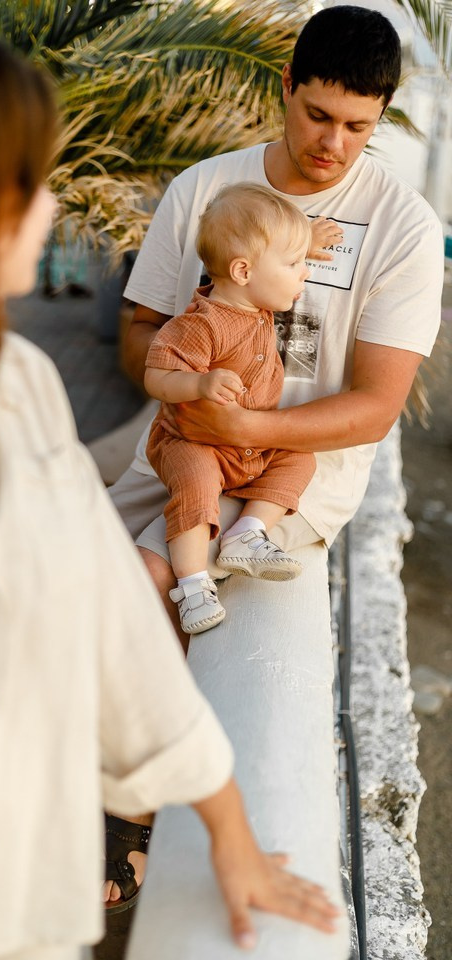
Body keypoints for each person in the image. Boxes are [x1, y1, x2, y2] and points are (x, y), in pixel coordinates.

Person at [0, 12, 340, 960]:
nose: (50, 205)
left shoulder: (18, 384)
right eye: (28, 177)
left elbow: (115, 624)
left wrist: (229, 831)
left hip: (31, 916)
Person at [104, 3, 443, 914]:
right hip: (184, 442)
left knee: (152, 577)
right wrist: (189, 388)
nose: (334, 144)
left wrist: (249, 428)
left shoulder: (404, 227)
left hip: (292, 478)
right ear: (286, 86)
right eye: (318, 115)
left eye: (359, 127)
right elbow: (139, 332)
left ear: (381, 116)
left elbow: (374, 406)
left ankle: (130, 816)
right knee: (88, 574)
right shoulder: (205, 188)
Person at [143, 183, 316, 635]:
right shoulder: (201, 324)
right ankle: (192, 585)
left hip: (248, 444)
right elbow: (156, 377)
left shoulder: (257, 303)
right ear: (242, 271)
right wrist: (198, 383)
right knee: (196, 488)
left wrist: (300, 245)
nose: (304, 273)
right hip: (193, 444)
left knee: (301, 455)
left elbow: (266, 263)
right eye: (295, 264)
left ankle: (247, 532)